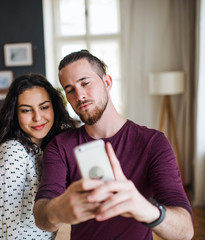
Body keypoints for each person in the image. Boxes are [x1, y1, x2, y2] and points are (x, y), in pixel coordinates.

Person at [33, 50, 194, 240]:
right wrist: (59, 210)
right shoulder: (60, 146)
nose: (80, 95)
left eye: (85, 83)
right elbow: (41, 216)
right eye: (70, 89)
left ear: (107, 82)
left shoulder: (152, 143)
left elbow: (185, 232)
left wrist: (142, 208)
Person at [0, 73, 75, 239]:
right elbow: (5, 230)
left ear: (54, 108)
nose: (37, 117)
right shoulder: (13, 152)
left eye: (44, 107)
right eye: (26, 110)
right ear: (15, 114)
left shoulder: (46, 147)